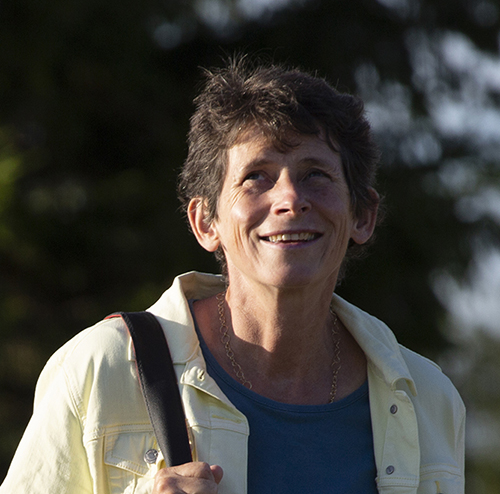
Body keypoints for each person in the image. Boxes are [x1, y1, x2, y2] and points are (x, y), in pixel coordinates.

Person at [0, 56, 465, 494]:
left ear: (362, 216)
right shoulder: (102, 369)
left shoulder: (429, 399)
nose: (290, 199)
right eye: (256, 176)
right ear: (206, 222)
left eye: (316, 175)